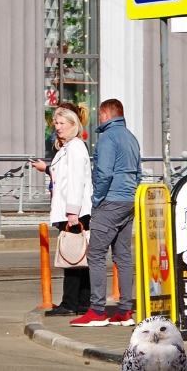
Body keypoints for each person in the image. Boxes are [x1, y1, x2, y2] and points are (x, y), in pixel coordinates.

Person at [71, 98, 141, 327]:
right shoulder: (131, 137)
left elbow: (103, 174)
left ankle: (97, 311)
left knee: (96, 255)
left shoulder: (108, 138)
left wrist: (96, 200)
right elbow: (138, 172)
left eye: (99, 115)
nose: (98, 119)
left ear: (105, 114)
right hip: (129, 200)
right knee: (122, 256)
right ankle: (125, 311)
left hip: (110, 201)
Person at [31, 105, 93, 315]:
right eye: (56, 124)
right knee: (80, 257)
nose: (58, 127)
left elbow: (75, 182)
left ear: (73, 125)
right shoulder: (68, 147)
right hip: (72, 209)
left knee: (72, 257)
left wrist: (72, 212)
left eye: (62, 123)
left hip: (75, 211)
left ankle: (70, 304)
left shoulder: (74, 148)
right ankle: (83, 302)